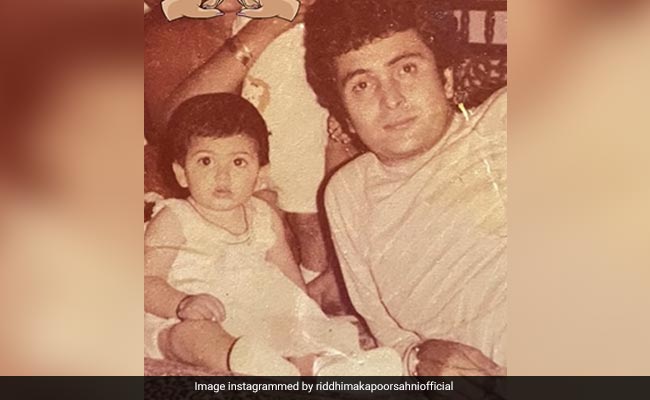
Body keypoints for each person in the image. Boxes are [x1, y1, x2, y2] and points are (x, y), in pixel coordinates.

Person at [303, 0, 506, 375]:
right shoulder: (348, 193)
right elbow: (389, 335)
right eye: (362, 85)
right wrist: (418, 358)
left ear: (446, 79)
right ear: (345, 116)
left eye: (407, 69)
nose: (391, 99)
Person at [144, 93, 401, 376]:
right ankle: (252, 363)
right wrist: (181, 303)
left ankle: (321, 367)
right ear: (181, 173)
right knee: (193, 337)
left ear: (260, 174)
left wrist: (305, 316)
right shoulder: (175, 218)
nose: (222, 175)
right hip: (191, 316)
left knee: (299, 330)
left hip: (257, 315)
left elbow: (289, 276)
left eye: (238, 162)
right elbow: (144, 282)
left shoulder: (263, 216)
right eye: (206, 161)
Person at [157, 0, 337, 287]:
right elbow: (178, 122)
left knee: (309, 222)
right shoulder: (185, 29)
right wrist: (265, 27)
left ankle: (310, 291)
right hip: (249, 149)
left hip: (306, 141)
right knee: (256, 224)